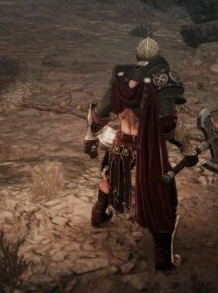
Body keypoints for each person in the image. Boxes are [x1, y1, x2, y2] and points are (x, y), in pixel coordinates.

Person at [82, 37, 192, 270]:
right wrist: (187, 148)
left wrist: (90, 137)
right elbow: (168, 125)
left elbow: (99, 115)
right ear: (157, 56)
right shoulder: (161, 80)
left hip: (121, 144)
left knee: (110, 176)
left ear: (137, 55)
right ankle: (163, 259)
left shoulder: (121, 79)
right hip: (147, 149)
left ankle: (98, 216)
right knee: (160, 194)